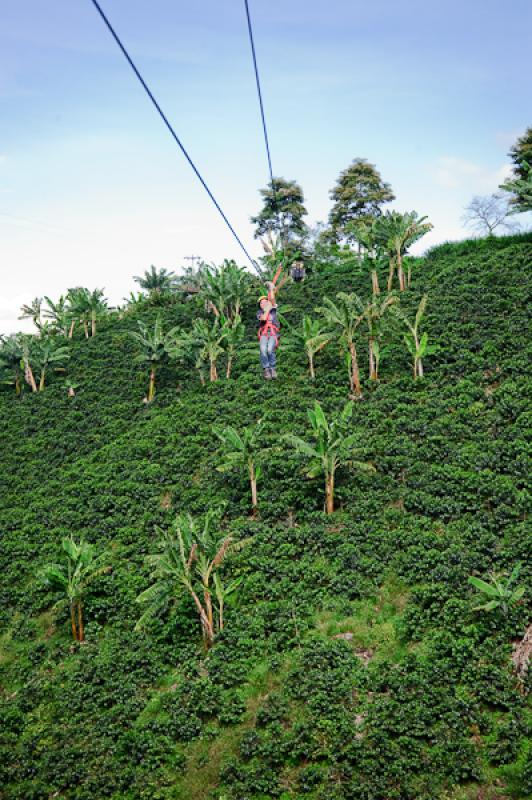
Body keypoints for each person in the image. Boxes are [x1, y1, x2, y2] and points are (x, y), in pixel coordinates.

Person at [257, 295, 279, 380]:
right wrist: (267, 309)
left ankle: (272, 368)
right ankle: (266, 368)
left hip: (273, 333)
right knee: (263, 350)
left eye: (265, 302)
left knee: (270, 350)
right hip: (264, 333)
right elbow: (263, 318)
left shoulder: (273, 311)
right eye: (261, 303)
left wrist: (271, 289)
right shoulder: (259, 313)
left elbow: (273, 299)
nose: (263, 304)